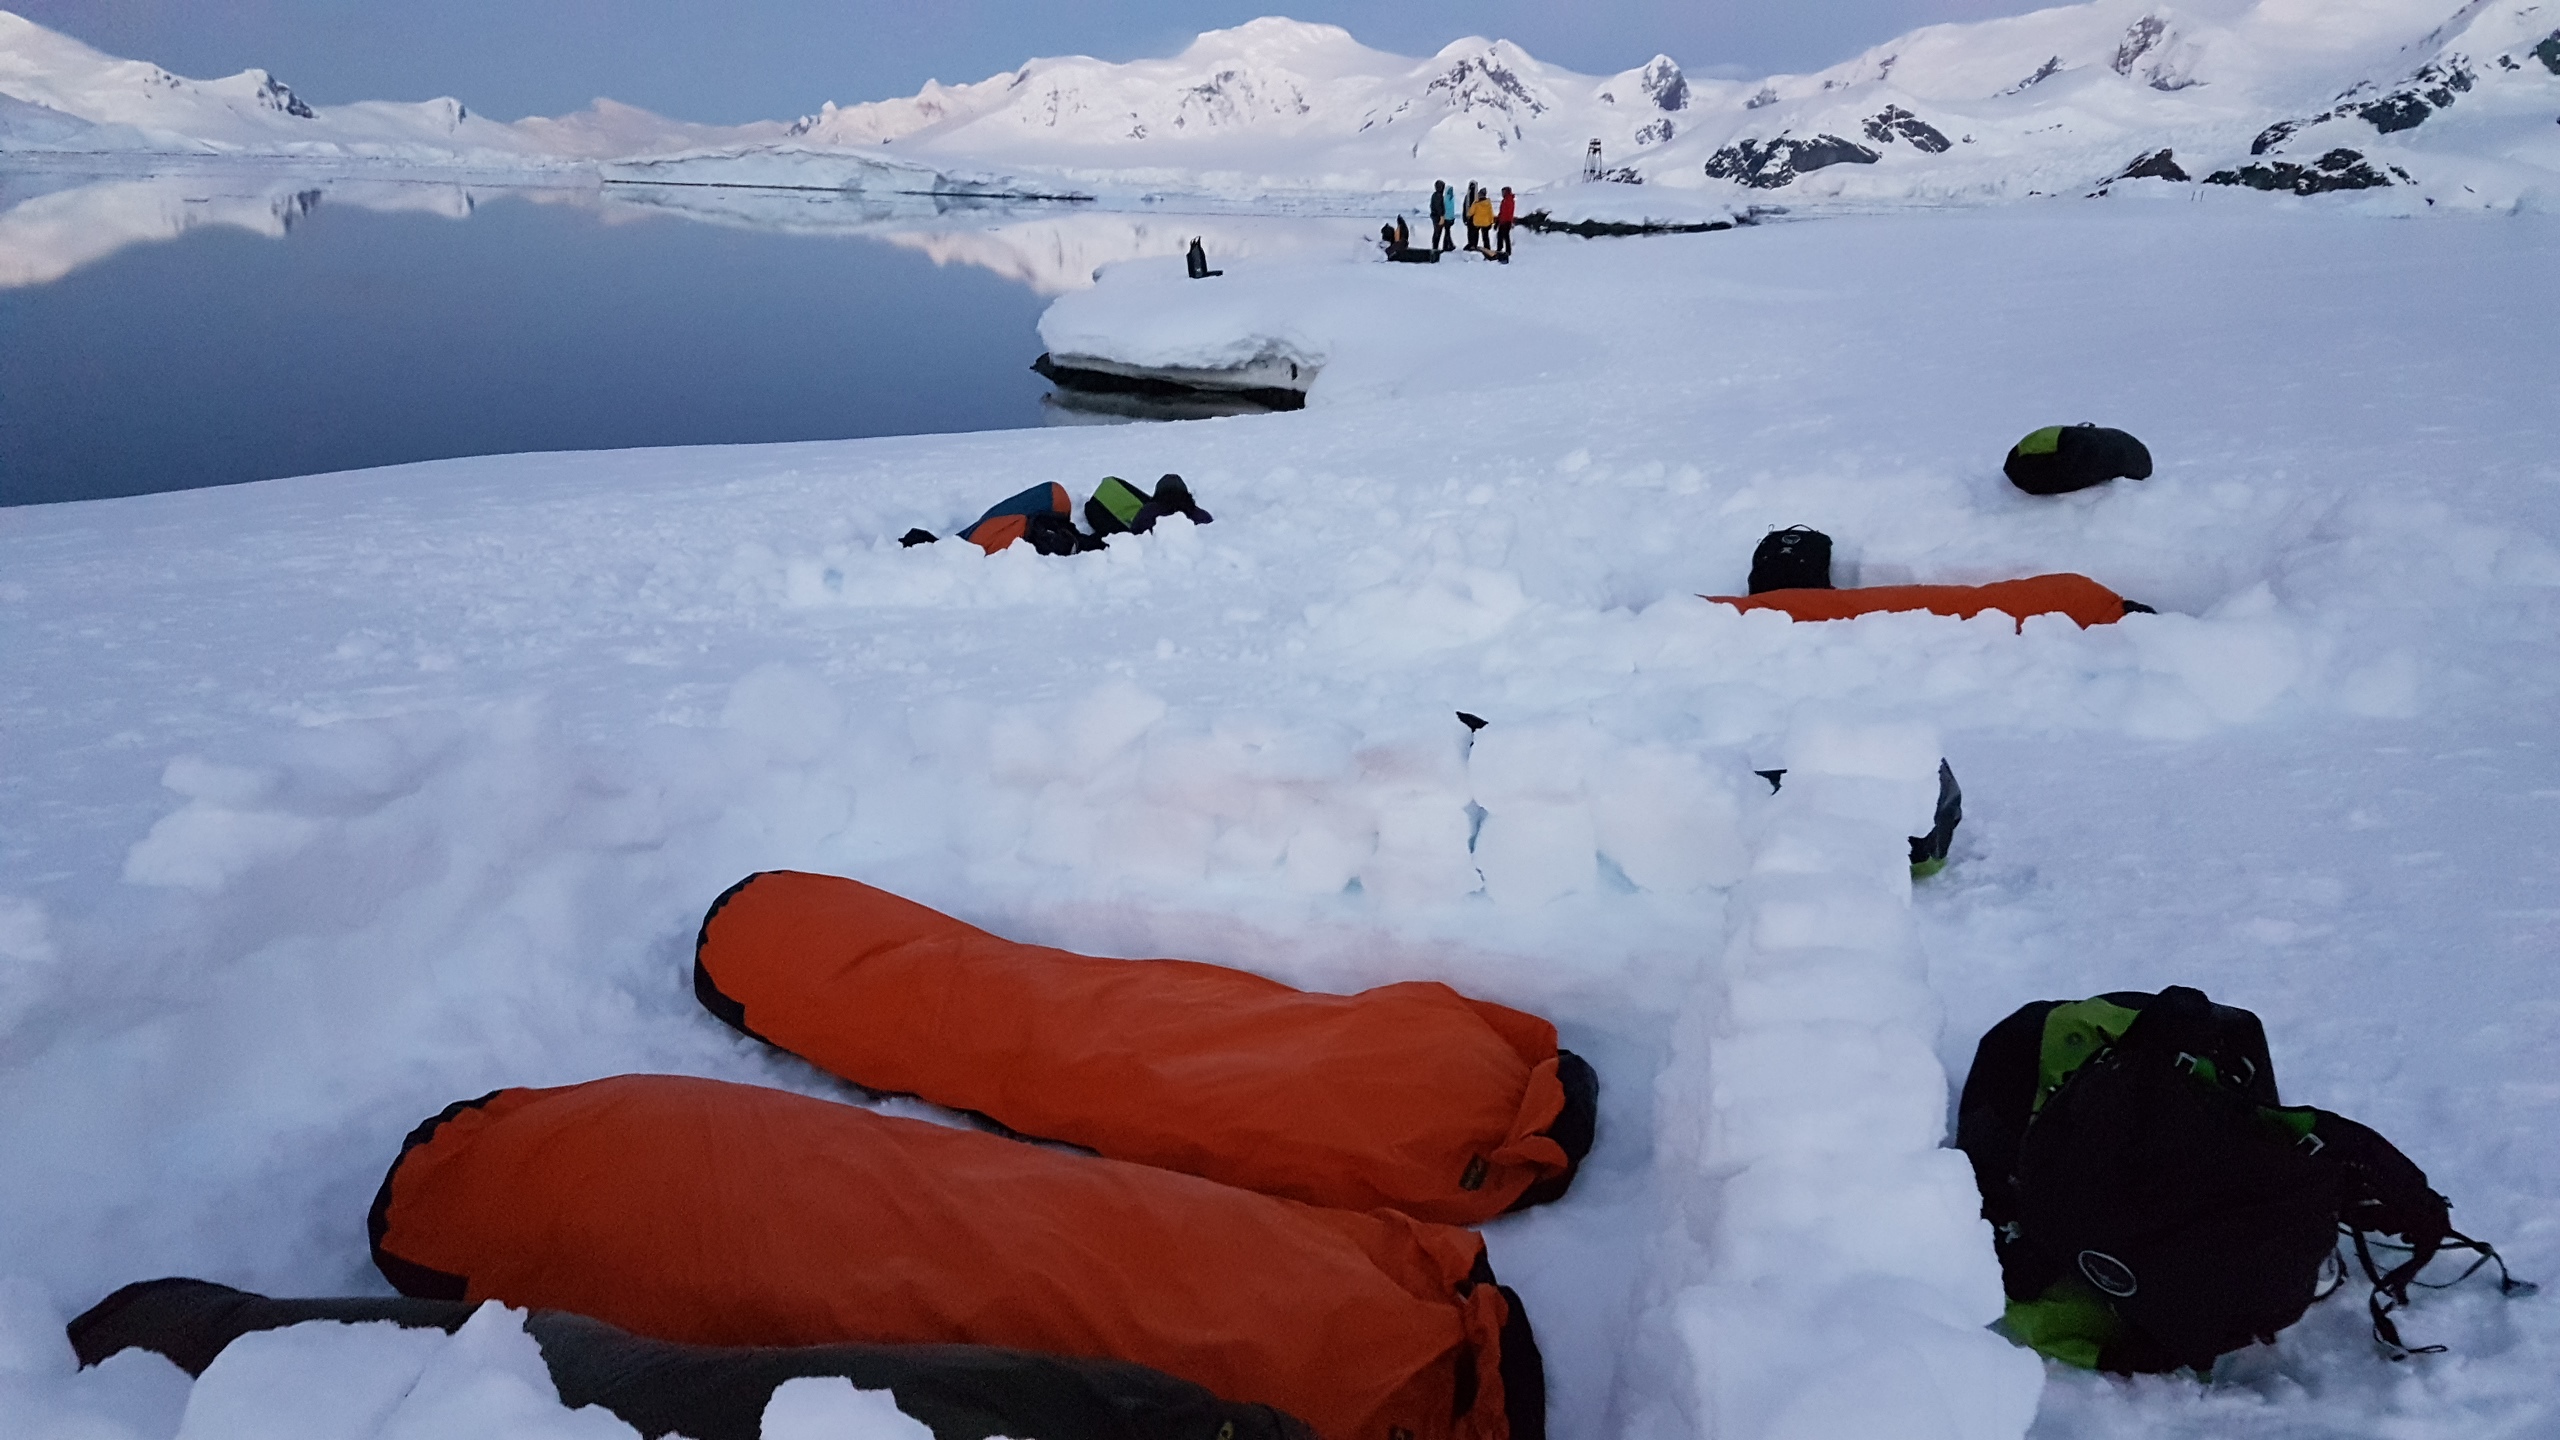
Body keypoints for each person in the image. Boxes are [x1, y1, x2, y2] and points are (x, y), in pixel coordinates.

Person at [1467, 188, 1495, 255]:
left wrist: (1468, 216)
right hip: (1486, 223)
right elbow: (1491, 213)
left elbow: (1471, 212)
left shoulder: (1476, 203)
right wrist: (1491, 222)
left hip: (1477, 222)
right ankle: (1487, 249)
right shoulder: (1488, 203)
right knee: (1485, 237)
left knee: (1475, 235)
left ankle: (1474, 246)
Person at [1429, 181, 1453, 252]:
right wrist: (1441, 216)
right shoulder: (1438, 196)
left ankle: (1442, 246)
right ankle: (1435, 248)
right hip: (1438, 217)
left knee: (1439, 232)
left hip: (1435, 216)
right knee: (1437, 233)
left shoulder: (1435, 195)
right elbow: (1439, 207)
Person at [1494, 186, 1516, 262]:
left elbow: (1506, 213)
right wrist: (1498, 221)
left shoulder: (1508, 200)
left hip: (1506, 221)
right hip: (1504, 221)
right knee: (1502, 235)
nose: (1502, 193)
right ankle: (1502, 249)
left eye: (1503, 192)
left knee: (1504, 236)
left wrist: (1503, 221)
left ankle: (1505, 250)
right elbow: (1502, 212)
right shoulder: (1505, 200)